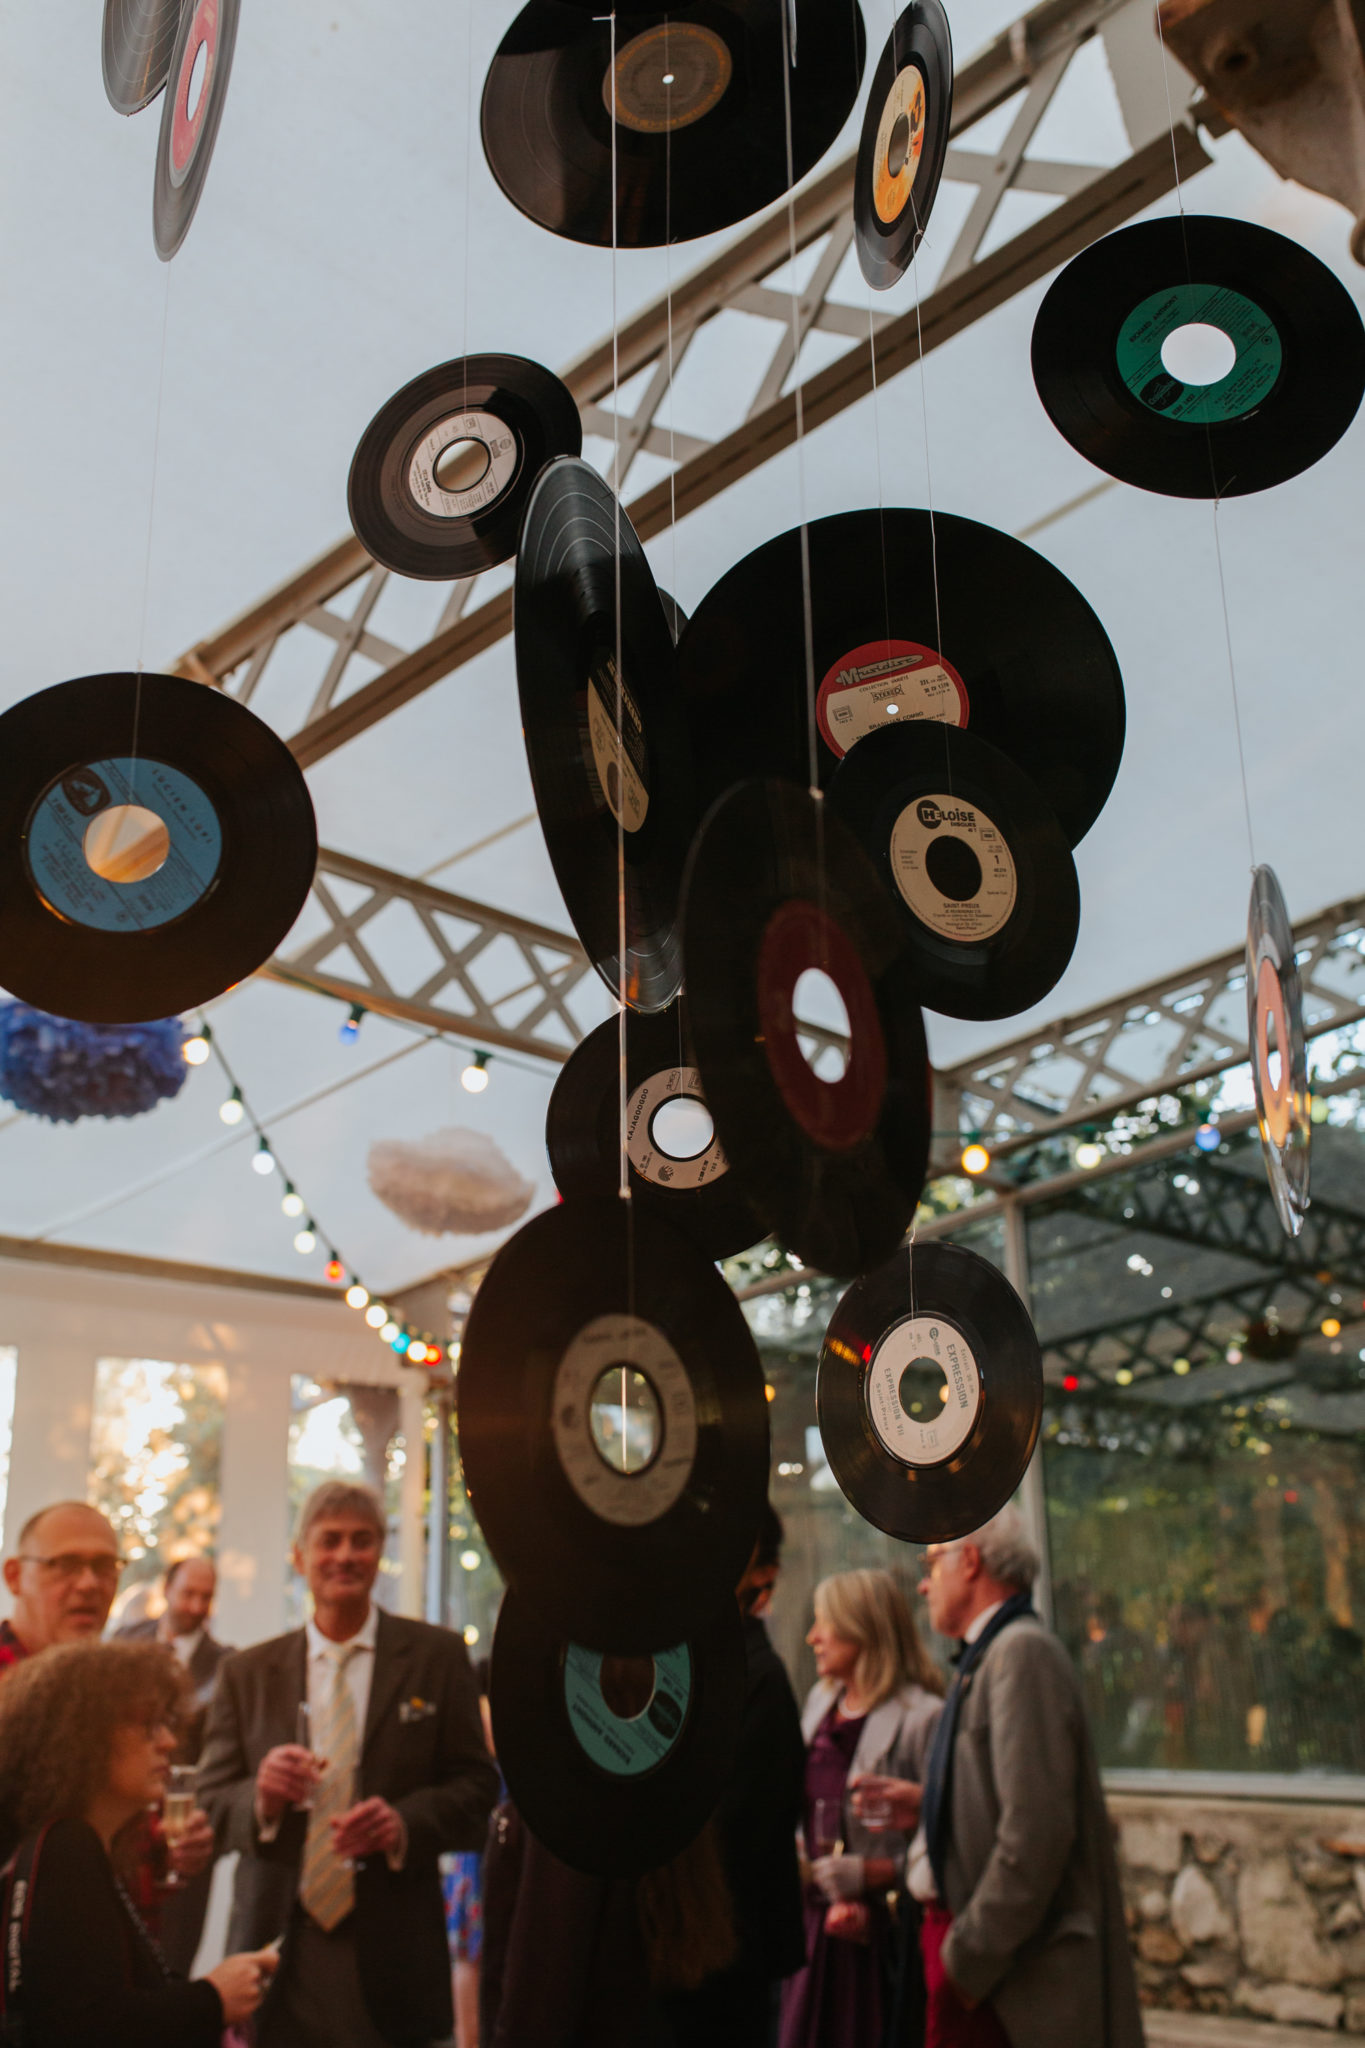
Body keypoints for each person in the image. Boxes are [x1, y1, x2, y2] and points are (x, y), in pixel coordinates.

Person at [198, 1480, 500, 2048]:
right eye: (328, 1540)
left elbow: (478, 1785)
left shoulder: (436, 1657)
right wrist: (260, 1799)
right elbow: (211, 1799)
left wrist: (405, 1823)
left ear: (380, 1552)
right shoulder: (248, 1674)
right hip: (273, 1946)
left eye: (362, 1541)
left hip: (397, 1947)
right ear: (299, 1556)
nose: (344, 1555)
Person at [858, 1507, 1142, 2048]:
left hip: (1008, 1983)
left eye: (932, 1562)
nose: (923, 1584)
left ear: (969, 1562)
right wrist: (931, 1806)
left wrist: (966, 1962)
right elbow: (1006, 1795)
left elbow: (1036, 1835)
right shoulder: (990, 1656)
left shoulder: (1021, 1654)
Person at [0, 1637, 277, 2046]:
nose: (168, 1741)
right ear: (85, 1736)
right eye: (148, 1725)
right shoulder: (67, 1846)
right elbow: (90, 2027)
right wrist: (213, 1997)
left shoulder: (84, 1842)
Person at [652, 1502, 806, 2048]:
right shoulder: (685, 1659)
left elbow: (739, 1826)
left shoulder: (759, 1676)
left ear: (764, 1575)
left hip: (722, 1947)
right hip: (681, 1941)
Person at [778, 1568, 944, 2048]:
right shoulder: (820, 1703)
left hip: (877, 1940)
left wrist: (875, 1874)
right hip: (814, 1928)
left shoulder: (922, 1718)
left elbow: (944, 1838)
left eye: (824, 1623)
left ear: (861, 1627)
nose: (812, 1638)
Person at [115, 1554, 234, 1973]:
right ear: (166, 1589)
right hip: (121, 1830)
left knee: (173, 1963)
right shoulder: (123, 1643)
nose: (197, 1607)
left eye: (207, 1597)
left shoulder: (228, 1667)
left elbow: (223, 1759)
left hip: (184, 1836)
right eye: (188, 1594)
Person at [1, 1499, 125, 1671]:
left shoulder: (123, 1685)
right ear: (14, 1576)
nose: (89, 1584)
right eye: (65, 1564)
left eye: (104, 1565)